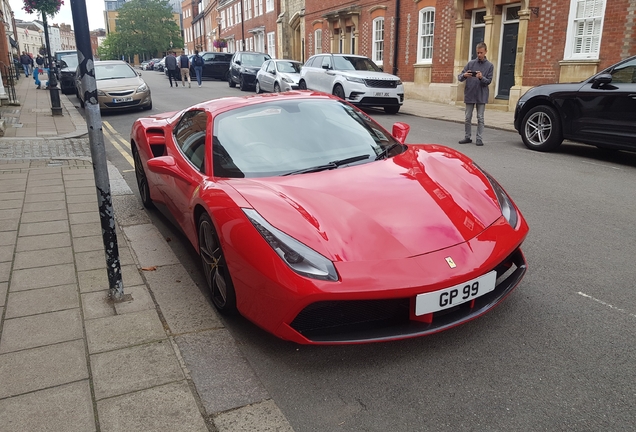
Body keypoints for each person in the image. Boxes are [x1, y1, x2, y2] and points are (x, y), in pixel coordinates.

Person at [457, 42, 493, 146]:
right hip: (470, 93)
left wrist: (481, 77)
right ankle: (467, 137)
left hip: (481, 95)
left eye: (481, 53)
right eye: (478, 53)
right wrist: (464, 75)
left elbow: (489, 81)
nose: (479, 55)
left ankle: (479, 138)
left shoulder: (490, 66)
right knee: (468, 117)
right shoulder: (470, 63)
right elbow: (460, 77)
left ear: (485, 52)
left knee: (480, 118)